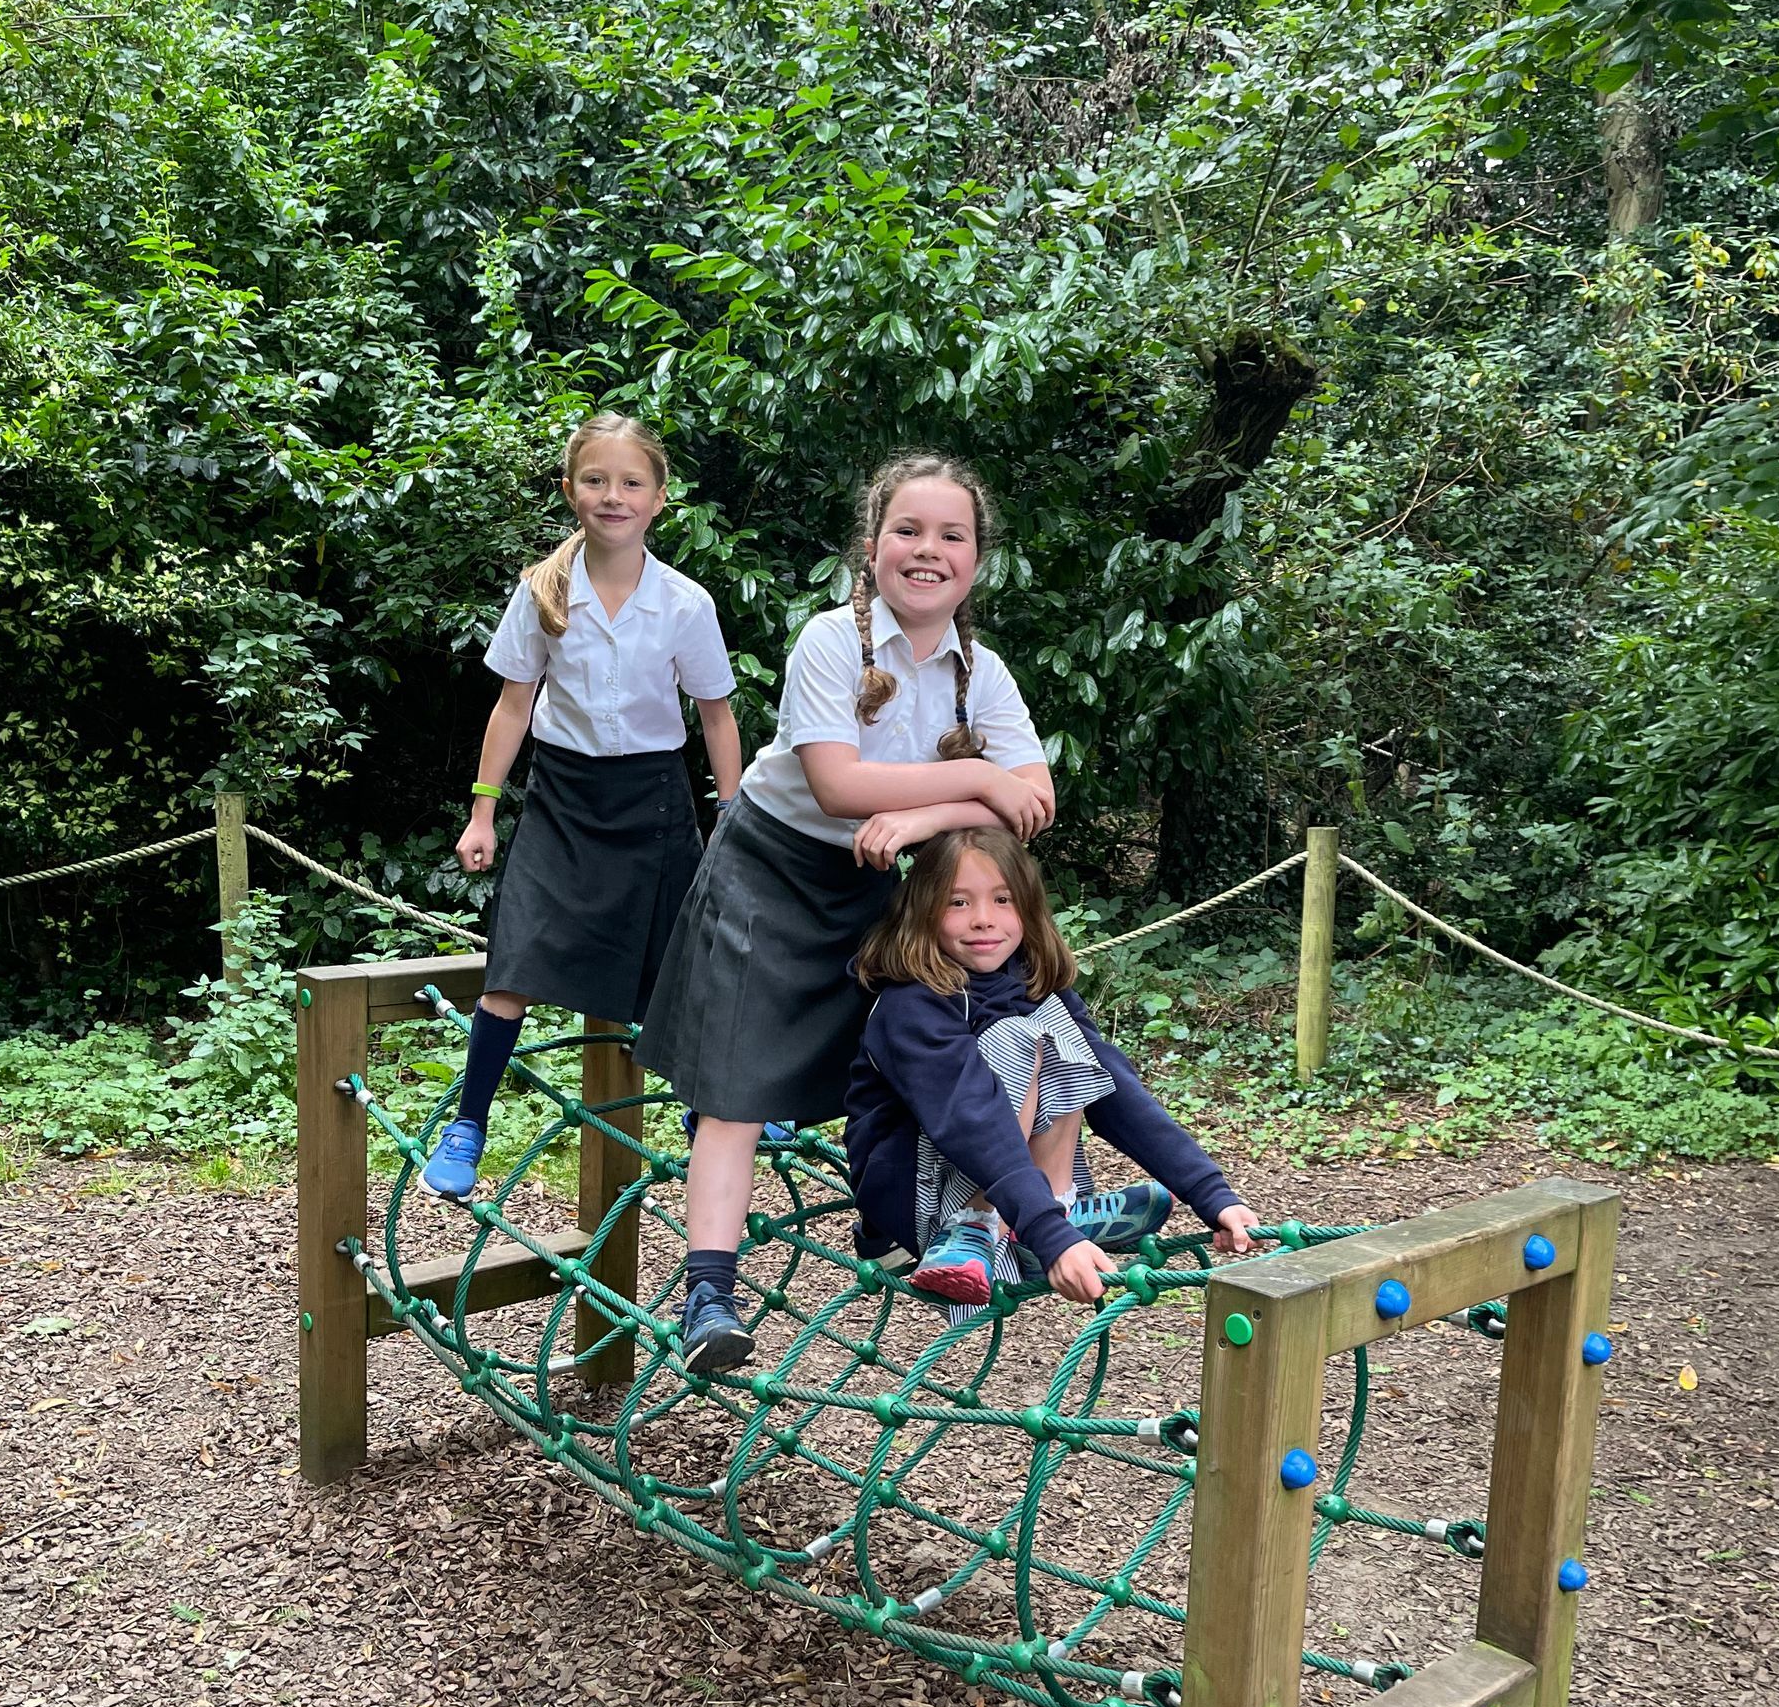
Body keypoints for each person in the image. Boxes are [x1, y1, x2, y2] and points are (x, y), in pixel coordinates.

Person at [640, 450, 1055, 1373]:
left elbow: (1035, 799)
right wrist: (977, 777)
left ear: (976, 560)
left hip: (872, 881)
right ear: (873, 549)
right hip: (770, 867)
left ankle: (958, 1217)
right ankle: (709, 1291)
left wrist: (930, 813)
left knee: (923, 1046)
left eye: (953, 535)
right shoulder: (832, 641)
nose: (929, 550)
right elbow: (836, 786)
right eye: (908, 530)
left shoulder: (979, 672)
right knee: (736, 1089)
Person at [420, 415, 742, 1200]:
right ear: (570, 491)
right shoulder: (542, 590)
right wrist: (482, 811)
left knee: (683, 967)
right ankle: (470, 1123)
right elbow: (512, 708)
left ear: (660, 498)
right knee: (515, 959)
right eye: (596, 480)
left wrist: (731, 816)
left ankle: (709, 1118)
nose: (613, 495)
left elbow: (716, 715)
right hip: (563, 801)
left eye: (632, 482)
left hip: (655, 801)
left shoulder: (684, 602)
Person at [844, 828, 1262, 1308]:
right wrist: (1051, 1235)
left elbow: (1116, 1094)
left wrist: (1214, 1196)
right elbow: (970, 1119)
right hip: (912, 1202)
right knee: (1019, 1035)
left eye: (1003, 899)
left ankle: (1046, 1213)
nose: (984, 920)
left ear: (1027, 908)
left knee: (1052, 1030)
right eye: (957, 903)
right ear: (921, 913)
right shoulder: (910, 1006)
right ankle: (986, 1225)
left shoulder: (1037, 989)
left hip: (1010, 1181)